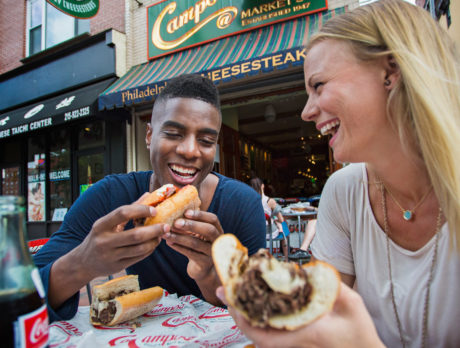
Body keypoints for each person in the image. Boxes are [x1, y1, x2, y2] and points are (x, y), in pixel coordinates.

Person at [217, 0, 460, 347]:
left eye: (318, 85)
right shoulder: (343, 191)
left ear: (389, 72)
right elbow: (321, 318)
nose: (306, 111)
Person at [34, 74, 266, 322]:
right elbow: (23, 296)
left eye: (206, 140)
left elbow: (259, 312)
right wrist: (84, 262)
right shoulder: (110, 196)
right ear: (148, 136)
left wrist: (209, 273)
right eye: (174, 133)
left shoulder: (243, 204)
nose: (189, 151)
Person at [249, 177, 287, 255]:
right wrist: (278, 222)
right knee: (284, 228)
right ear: (263, 186)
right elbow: (281, 219)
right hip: (270, 233)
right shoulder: (270, 201)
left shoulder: (248, 201)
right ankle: (287, 257)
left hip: (255, 233)